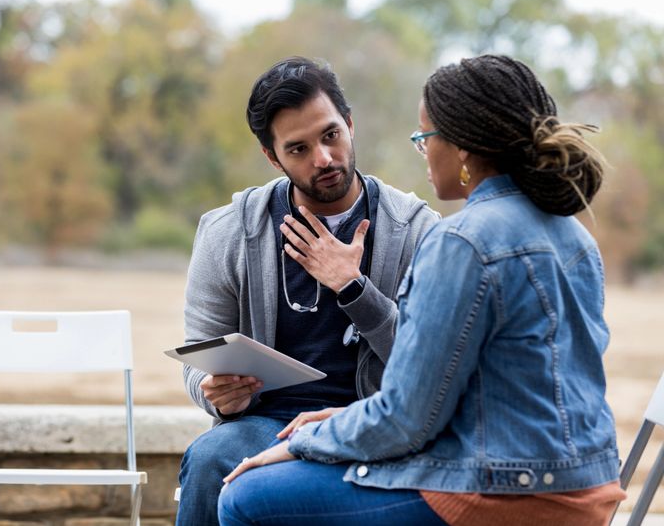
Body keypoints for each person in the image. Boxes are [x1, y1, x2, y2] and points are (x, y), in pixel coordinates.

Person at [218, 54, 625, 526]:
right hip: (588, 485)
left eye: (425, 138)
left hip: (502, 493)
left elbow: (407, 421)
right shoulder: (571, 232)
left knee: (245, 499)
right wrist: (339, 421)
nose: (424, 151)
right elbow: (490, 391)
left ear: (464, 149)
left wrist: (302, 442)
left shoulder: (461, 242)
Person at [176, 56, 439, 526]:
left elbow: (431, 366)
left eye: (331, 135)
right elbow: (201, 357)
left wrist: (354, 287)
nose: (323, 158)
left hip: (372, 423)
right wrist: (215, 393)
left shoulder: (417, 231)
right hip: (267, 427)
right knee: (212, 455)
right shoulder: (227, 232)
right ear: (272, 157)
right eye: (298, 149)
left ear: (351, 124)